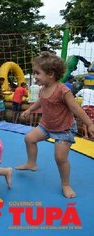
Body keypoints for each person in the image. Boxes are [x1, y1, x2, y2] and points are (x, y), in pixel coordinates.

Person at [16, 52, 94, 198]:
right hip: (46, 126)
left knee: (60, 158)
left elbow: (76, 109)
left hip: (64, 129)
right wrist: (29, 110)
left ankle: (65, 184)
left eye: (37, 73)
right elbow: (41, 101)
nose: (36, 76)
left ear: (50, 74)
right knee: (29, 138)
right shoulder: (43, 89)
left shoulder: (63, 91)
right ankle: (31, 163)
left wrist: (89, 123)